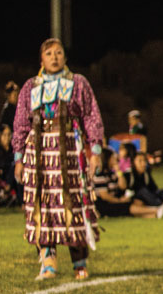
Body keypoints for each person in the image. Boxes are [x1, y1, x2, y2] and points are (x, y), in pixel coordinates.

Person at [12, 38, 104, 280]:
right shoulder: (30, 86)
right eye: (49, 53)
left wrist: (95, 151)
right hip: (39, 154)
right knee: (41, 206)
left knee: (73, 204)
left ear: (65, 58)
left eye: (59, 53)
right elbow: (21, 122)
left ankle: (79, 263)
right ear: (41, 59)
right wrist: (19, 157)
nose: (54, 57)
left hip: (70, 153)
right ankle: (48, 261)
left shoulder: (78, 83)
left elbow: (91, 116)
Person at [92, 148, 160, 219]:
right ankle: (156, 210)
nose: (115, 159)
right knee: (126, 206)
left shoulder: (112, 174)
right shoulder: (100, 176)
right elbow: (105, 196)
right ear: (107, 159)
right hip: (104, 204)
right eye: (113, 157)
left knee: (136, 200)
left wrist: (118, 171)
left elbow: (123, 186)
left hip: (114, 200)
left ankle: (154, 215)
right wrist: (119, 201)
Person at [0, 124, 18, 206]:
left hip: (11, 179)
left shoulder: (13, 151)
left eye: (9, 135)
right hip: (0, 179)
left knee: (15, 165)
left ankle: (9, 190)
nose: (7, 137)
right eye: (5, 135)